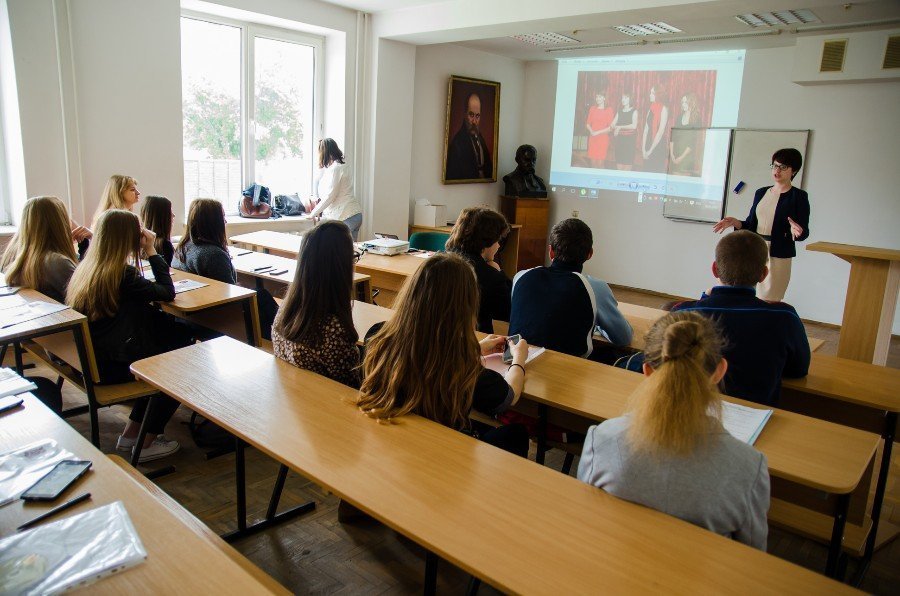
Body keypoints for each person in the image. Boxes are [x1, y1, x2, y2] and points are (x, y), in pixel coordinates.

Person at [578, 311, 770, 551]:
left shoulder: (602, 438)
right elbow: (753, 555)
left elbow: (586, 517)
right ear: (719, 371)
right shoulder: (750, 467)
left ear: (647, 371)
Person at [357, 252, 529, 457]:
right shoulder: (462, 367)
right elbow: (508, 397)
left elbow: (424, 347)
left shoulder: (378, 335)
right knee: (516, 434)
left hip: (391, 441)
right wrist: (519, 358)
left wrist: (476, 348)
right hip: (442, 454)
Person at [66, 209, 194, 462]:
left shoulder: (88, 267)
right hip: (111, 366)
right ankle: (145, 445)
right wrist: (152, 250)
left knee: (173, 347)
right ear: (128, 238)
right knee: (179, 369)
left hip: (95, 360)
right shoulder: (122, 274)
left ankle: (131, 434)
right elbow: (166, 292)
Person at [671, 230, 810, 406]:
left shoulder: (681, 314)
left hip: (691, 410)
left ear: (715, 269)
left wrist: (704, 299)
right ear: (764, 274)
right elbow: (798, 370)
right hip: (755, 414)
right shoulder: (785, 317)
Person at [510, 218, 632, 357]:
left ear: (550, 251)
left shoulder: (520, 277)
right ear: (590, 254)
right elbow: (623, 338)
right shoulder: (595, 287)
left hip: (516, 361)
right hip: (567, 366)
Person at [713, 148, 810, 302]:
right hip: (754, 249)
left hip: (778, 254)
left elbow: (803, 232)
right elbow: (751, 225)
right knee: (745, 294)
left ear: (794, 171)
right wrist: (736, 223)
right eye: (775, 165)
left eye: (783, 167)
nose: (777, 170)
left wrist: (797, 231)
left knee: (770, 298)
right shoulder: (761, 192)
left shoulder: (799, 197)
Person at [173, 198, 279, 340]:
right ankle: (284, 335)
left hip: (189, 315)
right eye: (223, 217)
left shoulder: (182, 247)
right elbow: (231, 297)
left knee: (257, 294)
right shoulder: (213, 254)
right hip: (216, 319)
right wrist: (240, 288)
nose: (226, 221)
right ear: (213, 222)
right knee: (261, 296)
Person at [272, 221, 361, 388]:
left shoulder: (285, 311)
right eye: (353, 257)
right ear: (339, 267)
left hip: (294, 395)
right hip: (325, 401)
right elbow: (351, 388)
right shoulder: (333, 330)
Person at [1, 196, 81, 303]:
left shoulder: (12, 254)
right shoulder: (57, 263)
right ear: (60, 224)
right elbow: (88, 297)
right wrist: (90, 248)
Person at [445, 207, 511, 333]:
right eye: (497, 240)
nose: (498, 245)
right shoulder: (490, 277)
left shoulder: (438, 263)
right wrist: (498, 272)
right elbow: (507, 312)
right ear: (487, 241)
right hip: (475, 339)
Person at [307, 138, 363, 241]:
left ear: (325, 153)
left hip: (346, 216)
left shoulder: (335, 169)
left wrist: (313, 213)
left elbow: (330, 196)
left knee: (340, 248)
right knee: (350, 249)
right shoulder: (342, 167)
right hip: (353, 214)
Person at [445, 92, 493, 181]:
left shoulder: (481, 139)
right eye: (471, 115)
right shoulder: (457, 144)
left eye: (477, 116)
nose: (474, 121)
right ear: (464, 114)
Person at [669, 92, 701, 175]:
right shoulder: (679, 117)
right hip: (675, 156)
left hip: (686, 158)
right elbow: (673, 137)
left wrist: (681, 157)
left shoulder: (696, 119)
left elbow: (692, 142)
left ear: (692, 102)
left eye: (685, 102)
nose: (683, 104)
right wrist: (672, 154)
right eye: (682, 102)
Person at [641, 84, 669, 172]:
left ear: (658, 95)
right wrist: (643, 149)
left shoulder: (664, 109)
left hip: (658, 146)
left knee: (655, 172)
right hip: (648, 143)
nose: (650, 95)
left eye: (652, 93)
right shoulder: (650, 108)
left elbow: (660, 132)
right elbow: (645, 130)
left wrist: (650, 151)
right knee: (646, 171)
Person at [140, 195, 175, 265]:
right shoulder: (165, 245)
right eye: (170, 211)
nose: (173, 215)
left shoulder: (139, 241)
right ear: (161, 217)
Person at [585, 93, 614, 168]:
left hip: (603, 139)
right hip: (593, 138)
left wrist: (597, 132)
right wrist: (591, 131)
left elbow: (610, 128)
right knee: (593, 163)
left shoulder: (609, 110)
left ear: (604, 98)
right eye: (597, 96)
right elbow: (588, 123)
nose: (598, 98)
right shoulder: (592, 108)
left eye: (600, 97)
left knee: (600, 164)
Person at [611, 91, 637, 170]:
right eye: (622, 98)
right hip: (620, 142)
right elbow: (612, 124)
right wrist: (615, 128)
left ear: (630, 99)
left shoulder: (634, 111)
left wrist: (619, 127)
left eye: (625, 98)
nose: (623, 99)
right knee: (619, 168)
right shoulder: (619, 112)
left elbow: (634, 126)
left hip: (629, 143)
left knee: (627, 169)